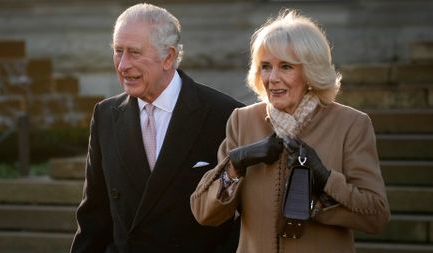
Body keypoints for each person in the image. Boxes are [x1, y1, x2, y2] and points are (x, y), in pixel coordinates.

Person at [191, 9, 390, 253]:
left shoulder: (351, 124)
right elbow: (203, 213)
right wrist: (235, 164)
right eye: (265, 66)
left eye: (285, 67)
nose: (272, 78)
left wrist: (326, 180)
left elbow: (376, 215)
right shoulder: (242, 121)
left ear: (310, 72)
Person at [69, 3, 243, 253]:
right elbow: (94, 217)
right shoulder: (105, 115)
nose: (122, 65)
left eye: (134, 53)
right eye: (118, 51)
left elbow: (246, 217)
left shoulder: (226, 115)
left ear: (168, 57)